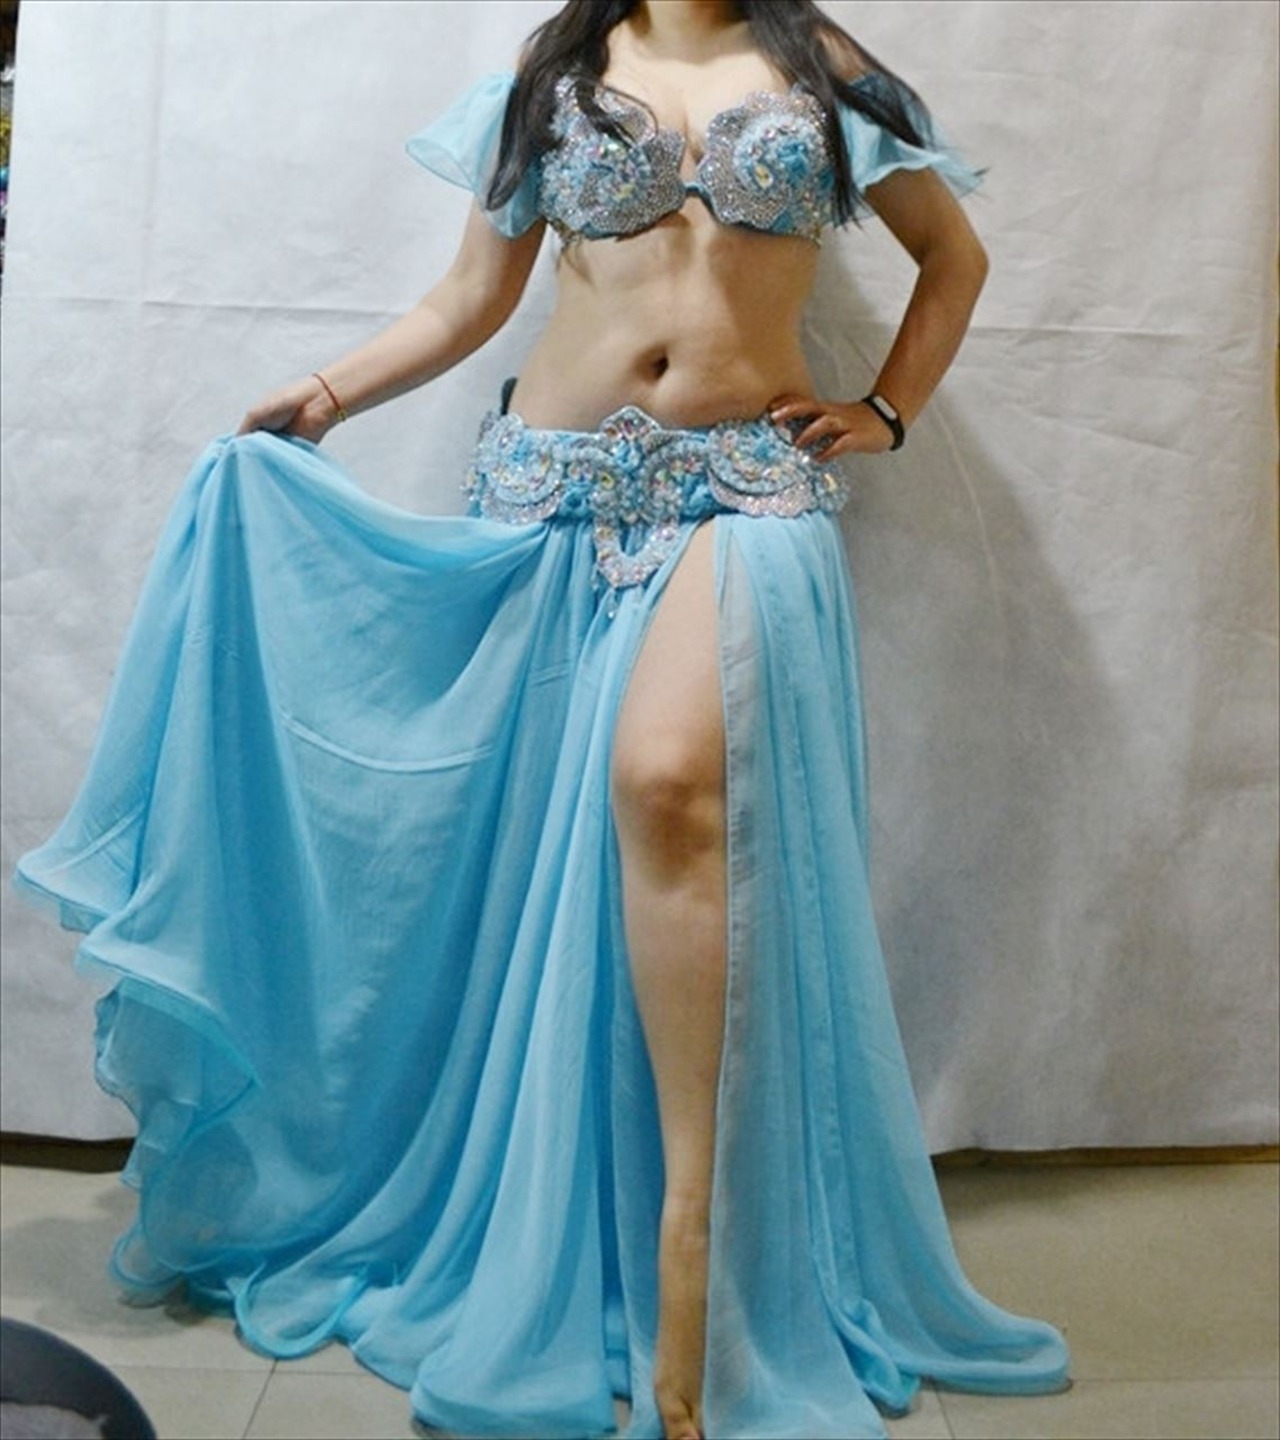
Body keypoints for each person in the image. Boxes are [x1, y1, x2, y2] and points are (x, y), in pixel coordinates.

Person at [14, 2, 1071, 1437]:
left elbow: (955, 256)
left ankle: (695, 1246)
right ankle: (575, 1232)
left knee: (668, 783)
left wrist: (887, 410)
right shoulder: (559, 66)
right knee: (559, 872)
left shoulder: (822, 65)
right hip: (551, 504)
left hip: (746, 494)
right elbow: (472, 297)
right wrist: (325, 395)